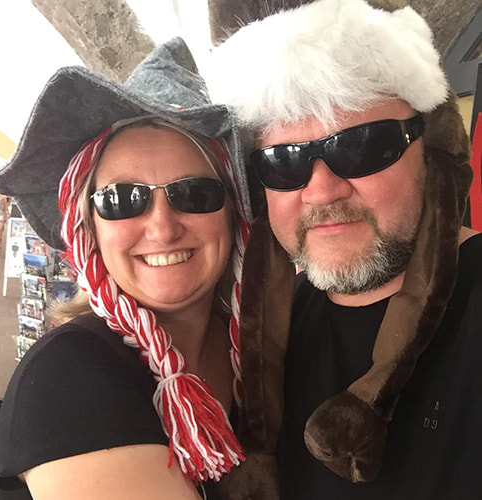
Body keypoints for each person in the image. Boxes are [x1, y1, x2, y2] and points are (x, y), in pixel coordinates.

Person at [206, 0, 482, 498]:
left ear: (434, 150)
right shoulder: (259, 338)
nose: (322, 191)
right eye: (283, 162)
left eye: (361, 146)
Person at [0, 37, 253, 500]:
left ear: (233, 214)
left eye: (193, 194)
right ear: (87, 226)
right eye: (121, 200)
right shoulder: (67, 377)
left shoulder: (255, 348)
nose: (163, 227)